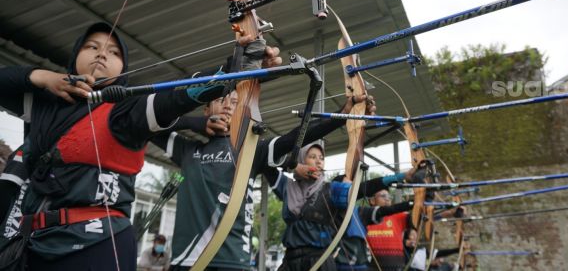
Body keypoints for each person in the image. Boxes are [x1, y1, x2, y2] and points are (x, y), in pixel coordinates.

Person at [0, 22, 279, 271]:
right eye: (92, 46)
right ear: (76, 56)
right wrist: (42, 76)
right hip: (33, 245)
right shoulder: (45, 106)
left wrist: (236, 67)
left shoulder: (123, 111)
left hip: (95, 245)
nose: (101, 54)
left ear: (123, 69)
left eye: (113, 52)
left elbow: (176, 98)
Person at [149, 90, 375, 270]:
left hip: (233, 259)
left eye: (236, 102)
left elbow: (294, 137)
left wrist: (342, 114)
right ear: (207, 108)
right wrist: (195, 122)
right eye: (220, 99)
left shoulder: (252, 151)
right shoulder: (186, 149)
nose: (228, 105)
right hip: (186, 260)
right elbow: (148, 122)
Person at [264, 143, 422, 271]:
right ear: (301, 160)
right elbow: (266, 160)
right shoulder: (287, 187)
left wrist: (400, 176)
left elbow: (360, 189)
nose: (319, 161)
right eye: (312, 157)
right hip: (290, 261)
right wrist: (293, 165)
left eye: (321, 158)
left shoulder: (332, 189)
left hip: (320, 262)